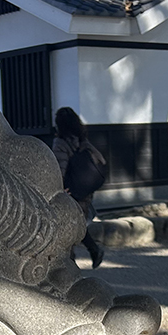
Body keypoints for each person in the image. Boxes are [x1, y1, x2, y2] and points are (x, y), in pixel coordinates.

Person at [52, 106, 106, 268]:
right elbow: (100, 161)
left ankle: (70, 269)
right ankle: (93, 250)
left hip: (68, 192)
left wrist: (57, 189)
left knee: (67, 231)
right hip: (84, 192)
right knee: (76, 225)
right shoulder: (83, 141)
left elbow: (59, 168)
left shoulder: (60, 143)